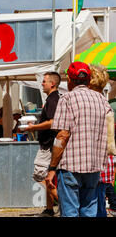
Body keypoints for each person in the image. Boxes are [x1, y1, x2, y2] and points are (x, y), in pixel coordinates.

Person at [45, 62, 112, 217]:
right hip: (94, 167)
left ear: (69, 80)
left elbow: (62, 135)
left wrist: (52, 168)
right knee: (89, 211)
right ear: (88, 80)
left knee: (70, 212)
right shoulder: (102, 100)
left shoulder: (67, 98)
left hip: (71, 165)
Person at [26, 71, 61, 217]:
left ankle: (68, 206)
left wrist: (33, 127)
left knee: (41, 176)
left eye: (44, 81)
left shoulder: (53, 99)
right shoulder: (52, 99)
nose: (42, 84)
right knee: (47, 177)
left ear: (52, 84)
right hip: (49, 145)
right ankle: (49, 209)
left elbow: (53, 122)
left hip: (49, 146)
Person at [88, 64, 116, 217]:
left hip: (97, 160)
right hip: (107, 159)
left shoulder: (96, 104)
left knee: (97, 203)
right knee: (98, 200)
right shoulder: (105, 104)